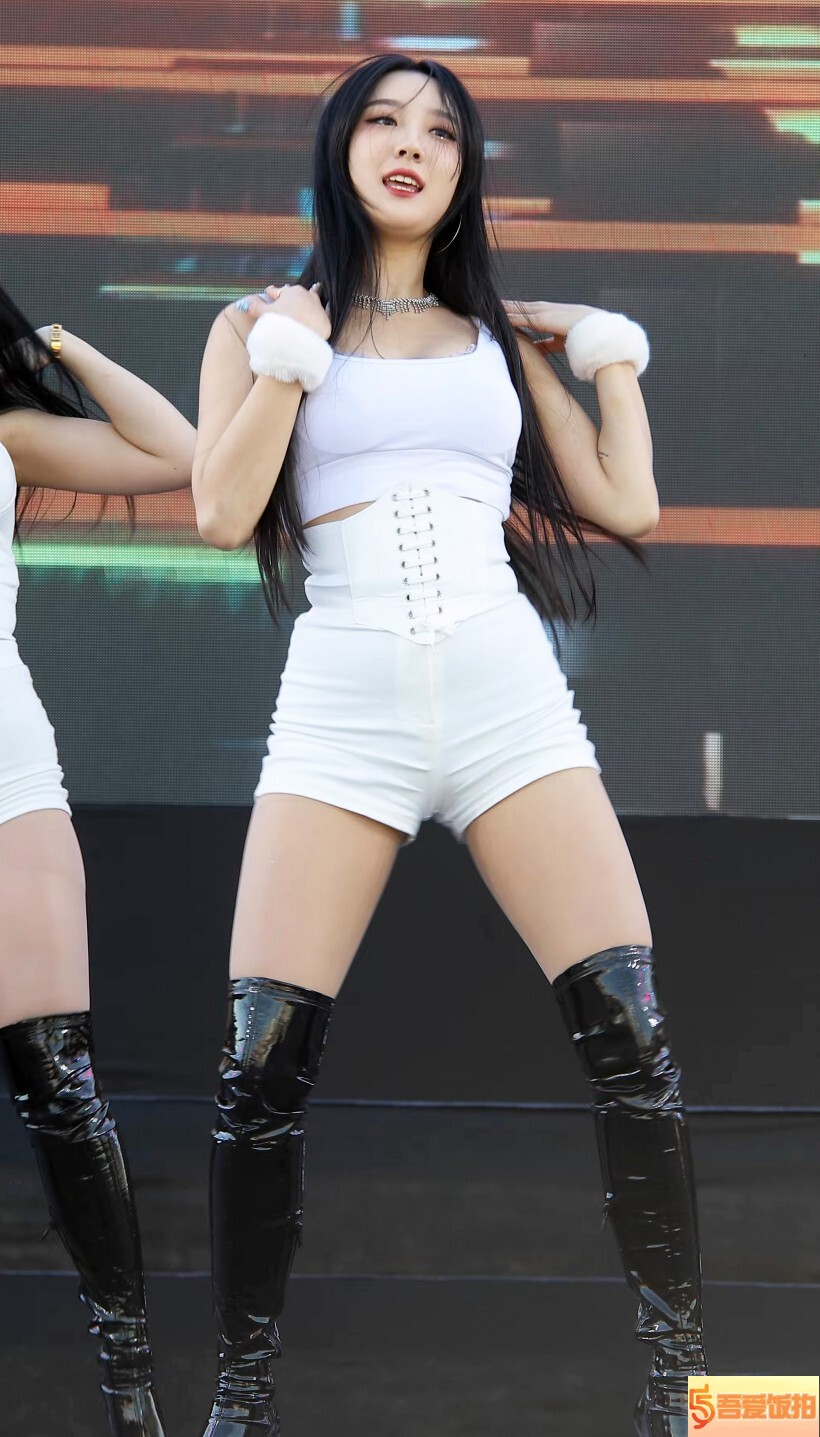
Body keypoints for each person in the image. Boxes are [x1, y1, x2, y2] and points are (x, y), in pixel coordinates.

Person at [192, 54, 707, 1437]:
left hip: (505, 700)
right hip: (343, 702)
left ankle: (681, 1396)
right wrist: (292, 359)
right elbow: (221, 512)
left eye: (440, 129)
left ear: (466, 170)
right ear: (340, 146)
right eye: (382, 120)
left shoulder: (494, 339)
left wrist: (603, 352)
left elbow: (628, 502)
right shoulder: (255, 322)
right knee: (258, 1066)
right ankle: (240, 1404)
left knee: (632, 1037)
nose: (409, 143)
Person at [0, 284, 195, 1436]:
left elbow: (174, 452)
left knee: (61, 1085)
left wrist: (50, 343)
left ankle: (134, 1401)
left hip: (7, 778)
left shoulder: (5, 431)